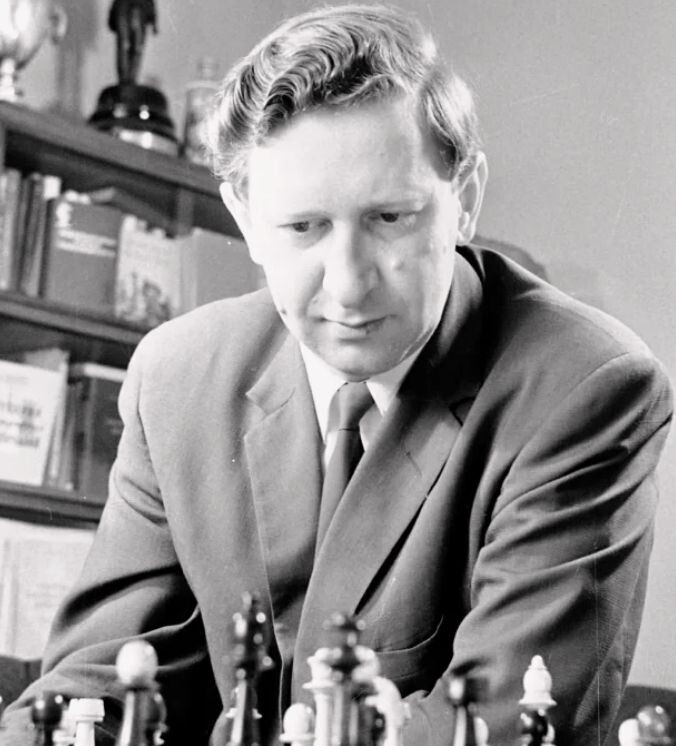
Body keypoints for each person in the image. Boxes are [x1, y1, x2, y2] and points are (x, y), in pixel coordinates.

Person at [2, 5, 672, 746]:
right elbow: (95, 694)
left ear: (466, 199)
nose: (349, 285)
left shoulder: (587, 386)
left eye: (391, 218)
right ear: (244, 218)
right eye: (303, 227)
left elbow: (499, 726)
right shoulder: (175, 378)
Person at [108, 0, 157, 85]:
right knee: (127, 47)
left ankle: (129, 79)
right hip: (126, 11)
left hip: (136, 12)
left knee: (133, 48)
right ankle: (126, 78)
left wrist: (153, 21)